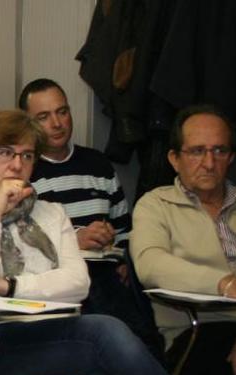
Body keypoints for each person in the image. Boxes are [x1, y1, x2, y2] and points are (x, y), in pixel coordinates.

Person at [0, 109, 210, 375]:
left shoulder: (52, 213)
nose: (16, 165)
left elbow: (77, 285)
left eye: (26, 156)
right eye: (5, 153)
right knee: (105, 330)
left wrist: (9, 285)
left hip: (62, 335)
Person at [20, 78, 162, 359]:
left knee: (147, 340)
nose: (57, 123)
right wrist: (74, 241)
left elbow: (125, 227)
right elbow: (21, 246)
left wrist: (122, 256)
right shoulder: (23, 171)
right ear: (27, 123)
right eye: (44, 117)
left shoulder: (97, 163)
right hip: (55, 280)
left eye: (62, 111)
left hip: (106, 273)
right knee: (119, 341)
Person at [131, 104, 236, 375]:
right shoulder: (156, 205)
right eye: (197, 151)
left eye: (219, 150)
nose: (209, 162)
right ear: (174, 158)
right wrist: (224, 283)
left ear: (231, 157)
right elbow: (151, 265)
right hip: (195, 331)